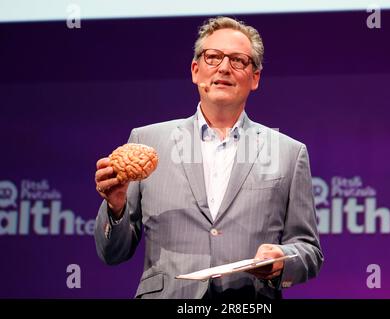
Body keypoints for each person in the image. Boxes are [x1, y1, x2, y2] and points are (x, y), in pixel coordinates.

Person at [94, 16, 323, 300]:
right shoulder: (147, 141)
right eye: (213, 57)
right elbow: (112, 253)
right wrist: (115, 207)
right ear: (195, 70)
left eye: (238, 60)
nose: (224, 67)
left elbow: (309, 250)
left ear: (255, 78)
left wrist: (282, 260)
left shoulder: (288, 152)